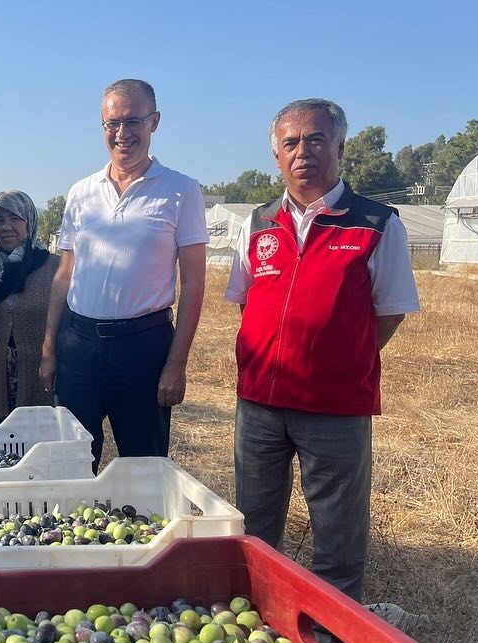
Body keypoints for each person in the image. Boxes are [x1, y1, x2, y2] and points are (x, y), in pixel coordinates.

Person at [227, 98, 419, 612]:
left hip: (335, 408)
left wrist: (335, 357)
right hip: (260, 407)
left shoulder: (377, 224)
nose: (302, 151)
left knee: (336, 542)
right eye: (290, 142)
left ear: (340, 147)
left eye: (315, 139)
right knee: (254, 531)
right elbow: (248, 301)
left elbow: (390, 310)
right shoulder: (258, 223)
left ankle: (331, 632)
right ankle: (261, 622)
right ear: (276, 155)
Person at [39, 79, 207, 467]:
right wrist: (50, 348)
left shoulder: (180, 191)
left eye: (133, 121)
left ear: (155, 122)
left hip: (143, 348)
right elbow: (65, 274)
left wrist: (176, 364)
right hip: (79, 345)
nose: (121, 133)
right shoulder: (82, 191)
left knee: (144, 465)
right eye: (111, 123)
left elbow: (194, 282)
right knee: (72, 461)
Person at [0, 190, 59, 427]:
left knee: (37, 453)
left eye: (15, 218)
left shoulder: (53, 267)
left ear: (29, 221)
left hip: (39, 377)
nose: (6, 227)